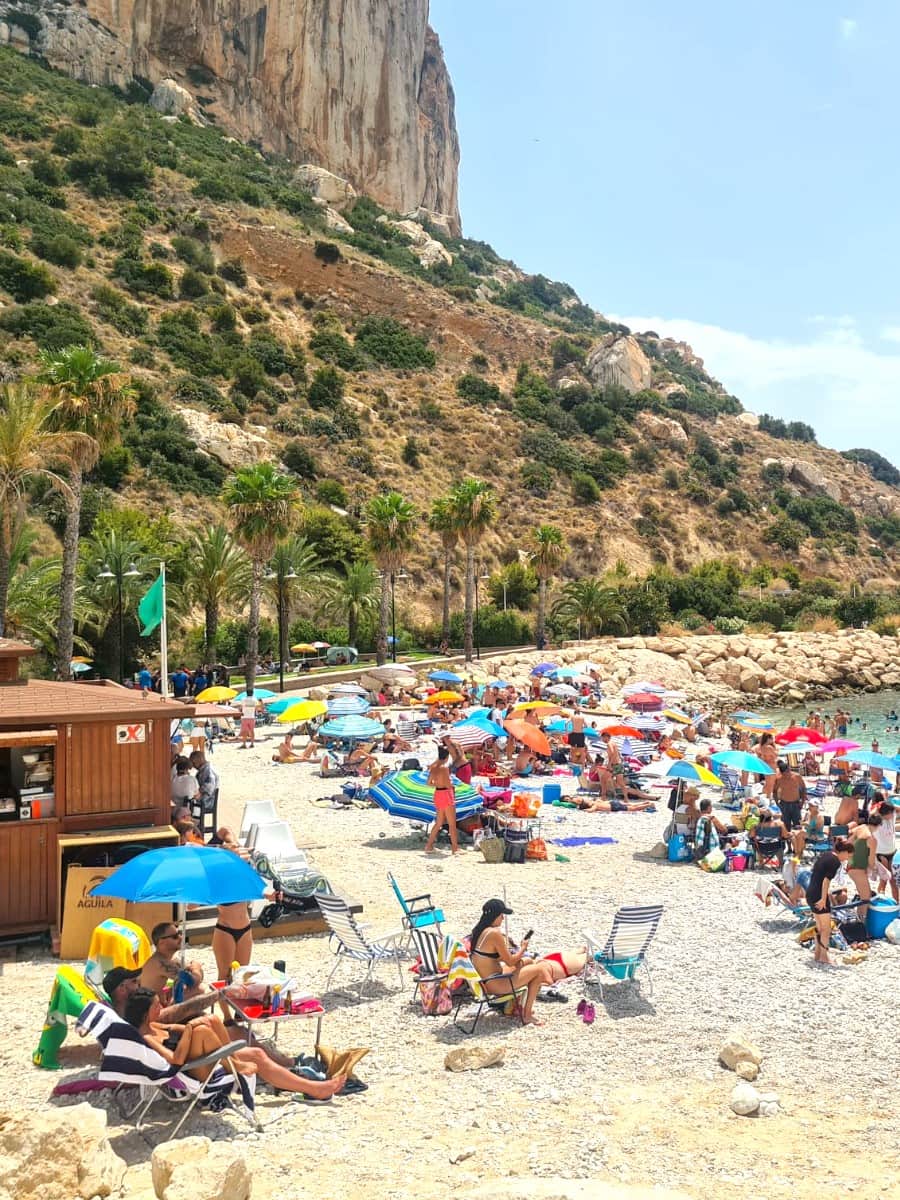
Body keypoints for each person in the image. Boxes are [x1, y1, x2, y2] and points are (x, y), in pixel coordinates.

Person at [123, 988, 345, 1099]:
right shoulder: (148, 1038)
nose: (160, 1007)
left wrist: (187, 1028)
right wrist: (191, 1030)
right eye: (155, 1006)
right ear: (145, 1013)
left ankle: (313, 1089)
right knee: (201, 1027)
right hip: (192, 1072)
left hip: (203, 1060)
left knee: (252, 1051)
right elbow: (175, 1060)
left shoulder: (155, 1027)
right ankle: (236, 1066)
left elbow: (178, 1030)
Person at [468, 899, 548, 1027]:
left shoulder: (481, 931)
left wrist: (511, 954)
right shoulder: (494, 933)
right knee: (538, 971)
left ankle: (517, 1005)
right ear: (494, 916)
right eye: (501, 915)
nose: (503, 919)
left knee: (527, 961)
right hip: (496, 984)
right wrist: (523, 947)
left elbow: (490, 957)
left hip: (486, 981)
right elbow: (510, 962)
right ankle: (527, 1015)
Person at [805, 839, 854, 964]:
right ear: (843, 852)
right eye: (848, 855)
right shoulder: (835, 862)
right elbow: (826, 881)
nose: (847, 858)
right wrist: (823, 899)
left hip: (810, 892)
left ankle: (817, 954)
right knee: (826, 929)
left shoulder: (826, 855)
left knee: (820, 927)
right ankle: (824, 956)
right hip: (818, 895)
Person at [424, 745, 458, 854]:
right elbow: (448, 784)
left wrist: (438, 784)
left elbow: (428, 783)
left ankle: (429, 846)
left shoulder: (434, 767)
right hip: (446, 794)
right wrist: (451, 786)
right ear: (447, 756)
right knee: (452, 824)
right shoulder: (444, 768)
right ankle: (455, 849)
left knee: (438, 822)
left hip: (438, 793)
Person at [847, 812, 881, 916]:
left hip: (850, 865)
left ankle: (859, 920)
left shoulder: (861, 827)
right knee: (866, 898)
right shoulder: (872, 840)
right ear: (878, 826)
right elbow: (871, 861)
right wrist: (875, 870)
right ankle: (862, 924)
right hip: (858, 869)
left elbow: (849, 839)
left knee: (863, 895)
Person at [873, 795, 899, 900]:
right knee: (884, 880)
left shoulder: (892, 816)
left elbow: (896, 809)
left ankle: (897, 904)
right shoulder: (877, 821)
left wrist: (887, 802)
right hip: (881, 853)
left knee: (893, 881)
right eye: (890, 813)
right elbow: (872, 813)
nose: (893, 815)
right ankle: (879, 902)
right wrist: (878, 806)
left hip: (892, 852)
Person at [773, 761, 806, 831]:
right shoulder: (779, 779)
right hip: (784, 805)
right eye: (785, 773)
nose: (787, 774)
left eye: (788, 772)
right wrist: (777, 803)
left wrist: (802, 802)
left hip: (796, 804)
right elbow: (774, 791)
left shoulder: (797, 777)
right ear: (782, 773)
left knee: (798, 826)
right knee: (785, 827)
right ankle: (787, 841)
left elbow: (803, 789)